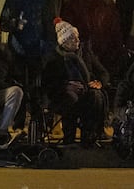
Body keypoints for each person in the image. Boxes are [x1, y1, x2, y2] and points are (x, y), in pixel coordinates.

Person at [42, 18, 109, 146]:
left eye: (77, 37)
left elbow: (103, 73)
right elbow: (48, 83)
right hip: (63, 95)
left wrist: (99, 82)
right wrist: (65, 86)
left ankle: (89, 134)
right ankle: (69, 134)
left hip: (86, 92)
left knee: (96, 96)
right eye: (73, 38)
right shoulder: (54, 59)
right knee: (70, 97)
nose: (77, 40)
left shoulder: (86, 54)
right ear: (64, 42)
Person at [60, 0, 125, 78]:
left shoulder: (108, 5)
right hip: (81, 51)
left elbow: (115, 30)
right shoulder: (73, 3)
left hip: (104, 52)